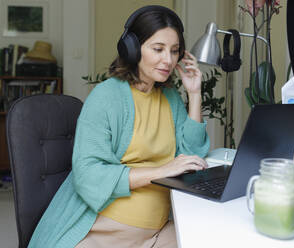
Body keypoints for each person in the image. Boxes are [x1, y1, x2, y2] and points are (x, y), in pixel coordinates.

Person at [28, 5, 209, 248]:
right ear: (132, 49)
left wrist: (195, 94)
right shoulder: (106, 97)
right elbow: (88, 174)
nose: (168, 59)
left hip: (154, 233)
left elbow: (192, 156)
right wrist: (160, 171)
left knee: (214, 236)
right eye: (158, 49)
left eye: (174, 51)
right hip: (102, 234)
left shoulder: (170, 98)